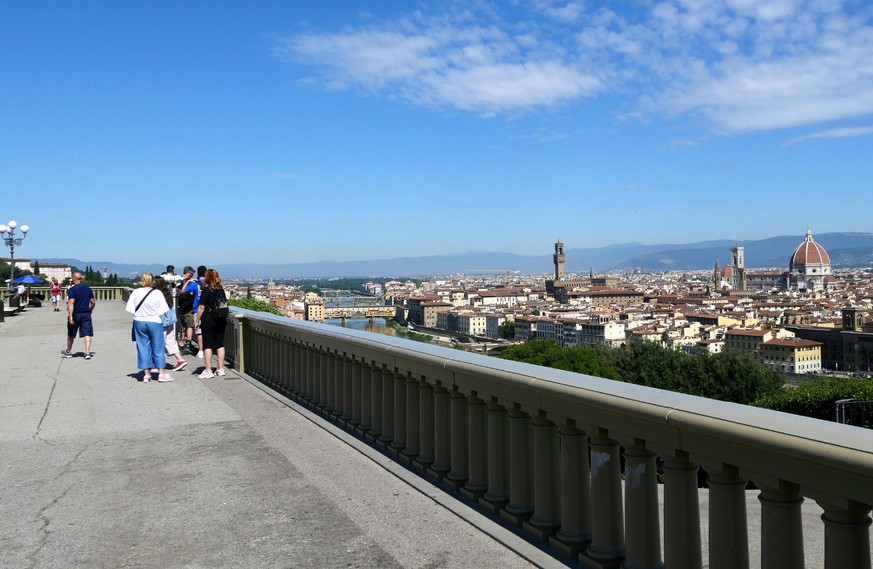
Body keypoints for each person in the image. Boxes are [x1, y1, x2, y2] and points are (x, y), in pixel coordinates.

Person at [126, 273, 173, 383]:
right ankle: (161, 373)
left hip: (139, 321)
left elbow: (130, 309)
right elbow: (163, 310)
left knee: (142, 347)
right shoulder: (157, 293)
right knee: (158, 347)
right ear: (152, 281)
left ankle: (146, 374)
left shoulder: (136, 292)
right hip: (154, 321)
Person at [195, 268, 228, 379]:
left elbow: (201, 307)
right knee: (220, 344)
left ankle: (208, 370)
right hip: (221, 319)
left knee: (208, 345)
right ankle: (220, 369)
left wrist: (197, 320)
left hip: (208, 320)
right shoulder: (221, 290)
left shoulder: (206, 290)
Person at [153, 276, 188, 372]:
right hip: (170, 320)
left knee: (160, 342)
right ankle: (180, 359)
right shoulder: (167, 293)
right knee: (170, 340)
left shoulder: (157, 294)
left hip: (162, 321)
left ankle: (157, 364)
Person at [62, 271, 96, 359]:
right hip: (86, 313)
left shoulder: (72, 290)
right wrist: (90, 310)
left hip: (76, 313)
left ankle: (69, 351)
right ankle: (87, 352)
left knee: (71, 333)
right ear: (81, 279)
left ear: (73, 279)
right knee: (87, 333)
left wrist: (70, 316)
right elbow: (93, 302)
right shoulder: (87, 289)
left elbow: (71, 303)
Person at [177, 266, 200, 355]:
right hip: (188, 307)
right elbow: (182, 291)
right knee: (189, 325)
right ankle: (188, 343)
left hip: (181, 306)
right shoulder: (187, 282)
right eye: (191, 273)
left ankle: (183, 342)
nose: (192, 275)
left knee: (183, 326)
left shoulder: (178, 281)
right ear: (188, 273)